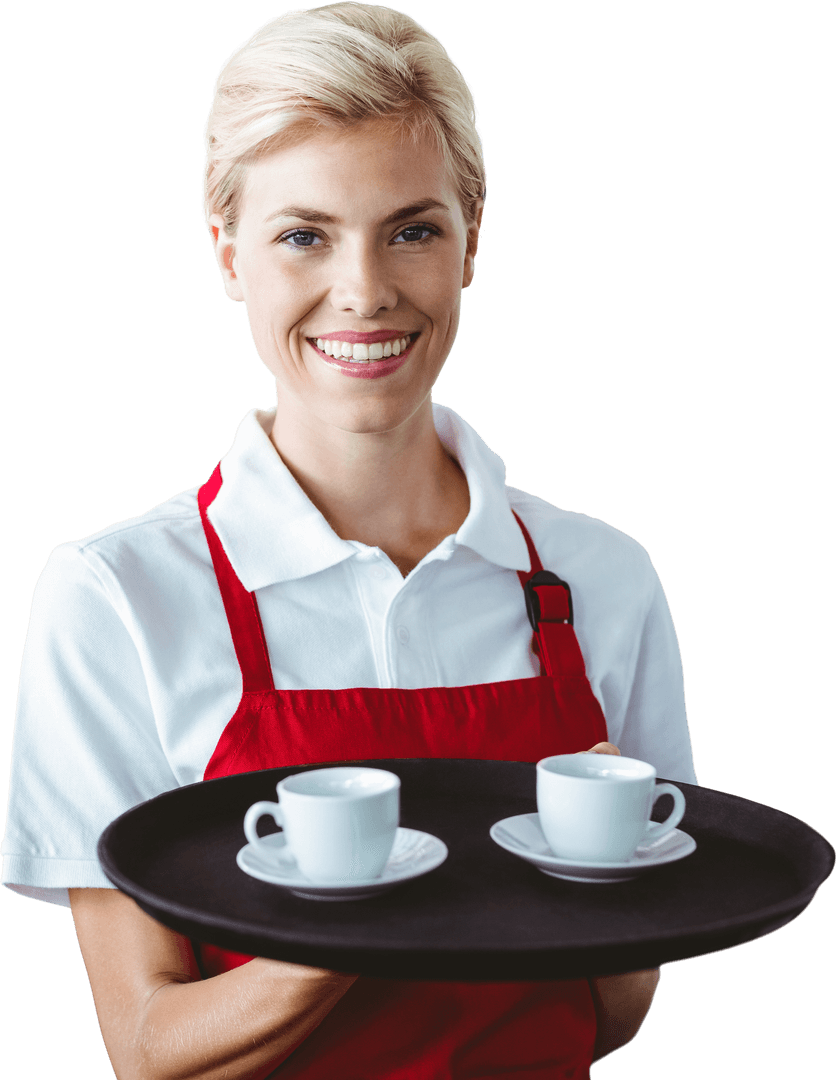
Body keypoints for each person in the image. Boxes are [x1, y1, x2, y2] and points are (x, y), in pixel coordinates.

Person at [1, 3, 696, 1077]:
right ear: (228, 252)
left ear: (473, 243)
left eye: (413, 229)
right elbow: (146, 1049)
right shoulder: (114, 594)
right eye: (302, 236)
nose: (365, 291)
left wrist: (588, 864)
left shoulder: (601, 579)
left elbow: (615, 1009)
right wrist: (364, 906)